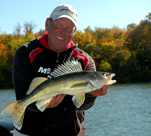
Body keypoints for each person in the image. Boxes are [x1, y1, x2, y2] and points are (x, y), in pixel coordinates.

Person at [12, 4, 109, 136]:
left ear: (74, 31)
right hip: (31, 132)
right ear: (47, 24)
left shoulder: (85, 60)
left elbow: (82, 105)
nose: (63, 32)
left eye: (69, 28)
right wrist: (43, 104)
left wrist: (92, 94)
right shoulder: (26, 52)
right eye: (58, 25)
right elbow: (23, 95)